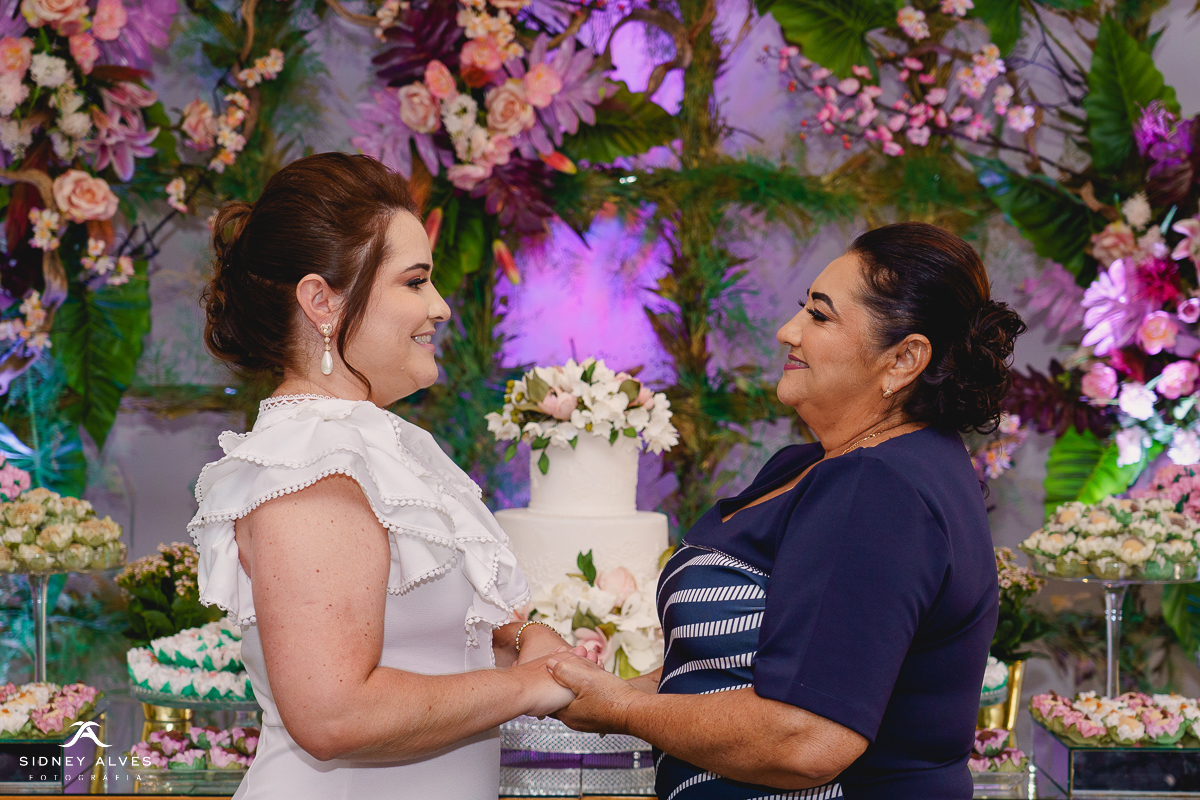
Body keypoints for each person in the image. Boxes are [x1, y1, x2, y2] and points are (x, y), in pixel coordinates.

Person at [545, 222, 1026, 799]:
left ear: (903, 359)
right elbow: (740, 672)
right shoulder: (820, 466)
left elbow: (807, 739)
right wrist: (614, 689)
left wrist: (623, 710)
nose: (787, 331)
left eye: (819, 316)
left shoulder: (880, 487)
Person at [190, 153, 586, 799]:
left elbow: (426, 646)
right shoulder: (309, 466)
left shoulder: (377, 448)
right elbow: (334, 714)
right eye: (414, 282)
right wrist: (525, 686)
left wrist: (521, 638)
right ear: (322, 301)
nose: (441, 307)